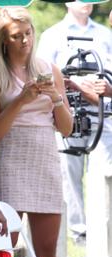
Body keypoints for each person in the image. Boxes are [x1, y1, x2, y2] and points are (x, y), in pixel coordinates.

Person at [0, 8, 72, 257]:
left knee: (47, 248)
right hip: (9, 161)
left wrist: (55, 96)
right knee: (3, 246)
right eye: (17, 36)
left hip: (44, 157)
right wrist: (21, 100)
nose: (25, 41)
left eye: (28, 33)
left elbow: (66, 129)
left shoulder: (49, 69)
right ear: (3, 40)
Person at [37, 2, 112, 243]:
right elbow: (42, 74)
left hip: (103, 115)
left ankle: (105, 229)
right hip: (68, 115)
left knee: (105, 174)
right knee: (70, 174)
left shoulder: (105, 34)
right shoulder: (52, 36)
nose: (87, 3)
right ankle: (80, 231)